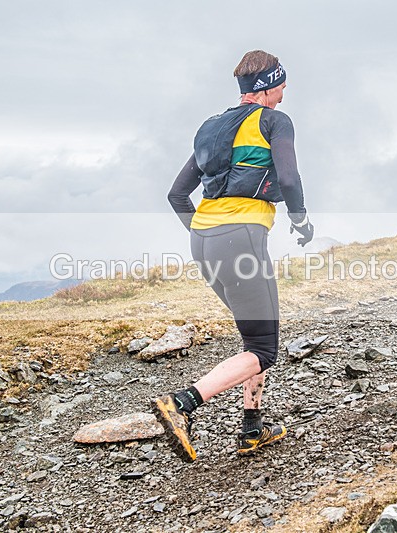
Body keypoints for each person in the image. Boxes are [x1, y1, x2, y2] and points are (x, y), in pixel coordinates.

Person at [153, 50, 314, 463]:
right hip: (240, 238)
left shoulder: (210, 127)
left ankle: (252, 428)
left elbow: (176, 194)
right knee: (264, 348)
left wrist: (210, 233)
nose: (285, 90)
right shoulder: (274, 121)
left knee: (255, 334)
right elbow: (291, 179)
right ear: (267, 86)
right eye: (282, 82)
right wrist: (300, 222)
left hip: (203, 241)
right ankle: (183, 403)